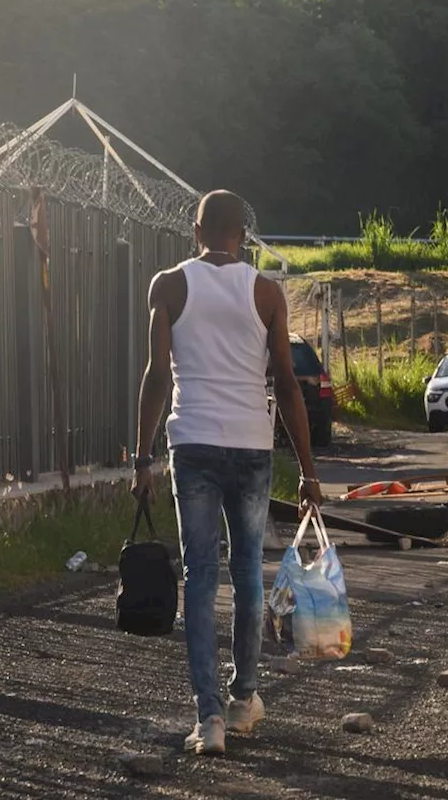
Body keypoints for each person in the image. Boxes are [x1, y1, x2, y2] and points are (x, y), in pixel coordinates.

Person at [131, 190, 322, 756]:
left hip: (191, 443)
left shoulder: (167, 285)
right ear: (243, 233)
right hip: (250, 445)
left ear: (197, 231)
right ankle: (244, 698)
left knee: (200, 576)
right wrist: (309, 472)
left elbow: (156, 376)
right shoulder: (266, 291)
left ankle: (208, 718)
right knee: (247, 575)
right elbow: (286, 384)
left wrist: (142, 458)